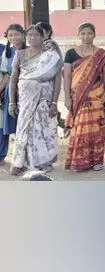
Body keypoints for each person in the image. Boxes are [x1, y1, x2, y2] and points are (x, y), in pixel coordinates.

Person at [8, 25, 61, 176]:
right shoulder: (20, 54)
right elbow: (13, 79)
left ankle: (43, 161)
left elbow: (57, 78)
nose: (32, 38)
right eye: (29, 35)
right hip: (25, 99)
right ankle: (20, 162)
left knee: (43, 128)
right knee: (24, 127)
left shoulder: (50, 56)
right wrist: (12, 102)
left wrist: (54, 102)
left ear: (42, 37)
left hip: (45, 98)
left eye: (36, 35)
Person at [63, 23, 105, 172]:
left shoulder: (101, 54)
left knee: (97, 127)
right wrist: (67, 97)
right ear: (78, 35)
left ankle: (97, 161)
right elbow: (67, 76)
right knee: (80, 128)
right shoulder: (70, 53)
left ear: (94, 35)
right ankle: (79, 160)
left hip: (97, 95)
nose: (86, 36)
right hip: (78, 96)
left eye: (89, 33)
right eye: (83, 33)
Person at [0, 24, 25, 165]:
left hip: (26, 91)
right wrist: (1, 90)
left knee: (25, 123)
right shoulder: (7, 52)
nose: (13, 37)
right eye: (10, 35)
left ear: (23, 35)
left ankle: (26, 156)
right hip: (11, 92)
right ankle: (16, 156)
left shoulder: (29, 50)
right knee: (13, 123)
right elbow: (6, 74)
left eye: (16, 34)